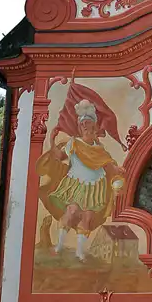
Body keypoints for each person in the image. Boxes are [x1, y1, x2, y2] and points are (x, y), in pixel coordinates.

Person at [38, 99, 125, 262]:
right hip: (76, 183)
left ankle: (79, 252)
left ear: (94, 126)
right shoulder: (74, 143)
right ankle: (59, 246)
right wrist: (51, 138)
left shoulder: (100, 150)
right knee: (71, 212)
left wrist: (118, 171)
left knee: (87, 218)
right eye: (82, 123)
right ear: (79, 127)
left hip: (95, 187)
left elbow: (108, 166)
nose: (85, 126)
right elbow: (60, 156)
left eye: (88, 123)